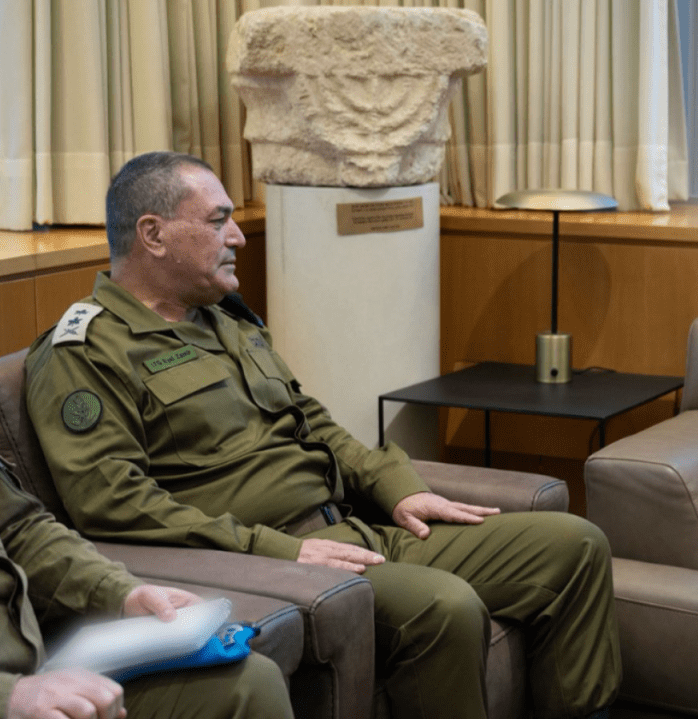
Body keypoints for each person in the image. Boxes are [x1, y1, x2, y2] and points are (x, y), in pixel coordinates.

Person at [23, 151, 619, 719]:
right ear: (153, 235)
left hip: (354, 527)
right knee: (446, 606)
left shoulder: (225, 320)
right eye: (218, 220)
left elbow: (312, 420)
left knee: (575, 544)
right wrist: (279, 550)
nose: (238, 237)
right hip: (276, 561)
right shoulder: (85, 351)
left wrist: (397, 485)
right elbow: (112, 503)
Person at [1, 460, 293, 719]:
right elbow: (108, 493)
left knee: (250, 683)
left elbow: (18, 529)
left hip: (40, 672)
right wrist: (8, 696)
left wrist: (120, 592)